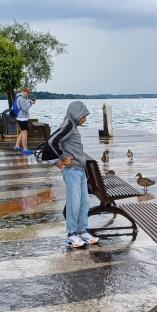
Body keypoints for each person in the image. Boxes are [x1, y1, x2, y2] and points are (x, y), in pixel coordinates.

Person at [47, 101, 99, 248]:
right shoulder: (69, 124)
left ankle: (82, 231)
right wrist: (63, 157)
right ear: (77, 114)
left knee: (84, 203)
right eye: (84, 116)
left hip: (80, 170)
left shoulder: (72, 125)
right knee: (74, 203)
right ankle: (71, 235)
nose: (85, 119)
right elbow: (52, 141)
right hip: (72, 171)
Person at [14, 87, 36, 155]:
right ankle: (25, 149)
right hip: (22, 118)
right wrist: (31, 103)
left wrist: (29, 101)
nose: (28, 94)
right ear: (23, 91)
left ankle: (17, 146)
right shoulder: (21, 98)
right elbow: (24, 108)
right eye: (27, 92)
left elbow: (25, 102)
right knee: (24, 133)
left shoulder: (21, 97)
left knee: (23, 132)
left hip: (21, 117)